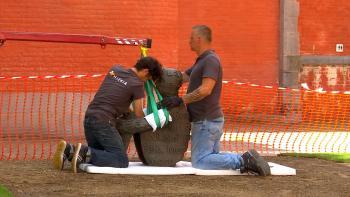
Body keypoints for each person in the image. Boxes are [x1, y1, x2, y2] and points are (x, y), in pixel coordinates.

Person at [161, 25, 271, 176]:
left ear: (199, 39)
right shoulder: (201, 61)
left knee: (200, 161)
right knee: (212, 157)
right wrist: (158, 72)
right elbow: (181, 77)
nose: (189, 41)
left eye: (191, 38)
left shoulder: (210, 60)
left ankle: (243, 161)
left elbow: (205, 89)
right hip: (208, 121)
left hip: (206, 121)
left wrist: (180, 100)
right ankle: (247, 158)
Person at [53, 56, 163, 173]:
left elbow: (115, 95)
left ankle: (69, 149)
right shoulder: (137, 85)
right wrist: (155, 119)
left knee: (100, 154)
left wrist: (125, 110)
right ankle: (82, 151)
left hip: (89, 117)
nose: (146, 81)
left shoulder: (115, 70)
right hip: (103, 122)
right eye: (149, 78)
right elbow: (139, 113)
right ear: (146, 71)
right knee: (120, 160)